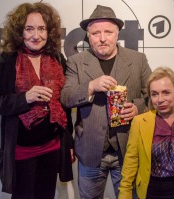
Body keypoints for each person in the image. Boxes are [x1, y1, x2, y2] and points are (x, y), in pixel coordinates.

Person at [0, 2, 74, 199]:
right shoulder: (4, 62)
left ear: (49, 32)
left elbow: (64, 103)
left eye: (41, 29)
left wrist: (69, 143)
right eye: (29, 29)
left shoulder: (57, 58)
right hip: (21, 151)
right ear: (19, 32)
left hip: (53, 147)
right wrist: (25, 98)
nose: (36, 35)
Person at [60, 4, 152, 199]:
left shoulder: (138, 60)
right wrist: (91, 86)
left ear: (117, 33)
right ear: (88, 36)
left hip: (127, 149)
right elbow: (66, 97)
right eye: (95, 33)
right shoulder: (76, 62)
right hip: (91, 152)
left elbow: (152, 97)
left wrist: (137, 108)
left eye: (108, 32)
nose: (102, 38)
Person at [118, 66, 174, 199]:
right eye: (154, 94)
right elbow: (131, 162)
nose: (160, 99)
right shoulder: (140, 122)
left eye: (166, 92)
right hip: (150, 192)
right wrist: (125, 194)